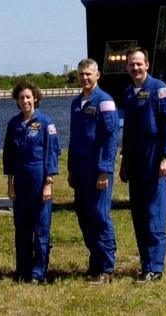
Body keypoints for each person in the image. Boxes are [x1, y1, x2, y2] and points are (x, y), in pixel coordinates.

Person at [119, 48, 166, 282]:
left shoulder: (160, 89)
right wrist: (124, 161)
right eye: (131, 64)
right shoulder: (128, 93)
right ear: (127, 67)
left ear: (147, 65)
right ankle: (145, 265)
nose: (135, 68)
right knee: (139, 215)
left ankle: (156, 268)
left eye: (139, 64)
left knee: (154, 214)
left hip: (155, 157)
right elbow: (129, 132)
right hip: (135, 160)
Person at [3, 80, 60, 283]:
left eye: (28, 97)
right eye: (21, 98)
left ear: (35, 98)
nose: (25, 101)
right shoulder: (13, 124)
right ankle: (23, 270)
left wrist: (48, 182)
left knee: (41, 227)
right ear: (17, 101)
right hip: (21, 180)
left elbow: (53, 152)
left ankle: (39, 272)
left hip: (39, 177)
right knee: (22, 227)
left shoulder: (46, 123)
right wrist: (10, 184)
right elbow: (8, 156)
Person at [67, 57, 119, 282]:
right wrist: (70, 169)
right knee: (84, 216)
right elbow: (74, 139)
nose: (85, 78)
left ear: (97, 75)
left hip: (98, 170)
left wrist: (105, 170)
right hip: (80, 170)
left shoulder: (104, 101)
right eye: (81, 74)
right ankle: (95, 261)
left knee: (99, 217)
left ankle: (107, 267)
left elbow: (110, 137)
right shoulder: (76, 103)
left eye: (89, 74)